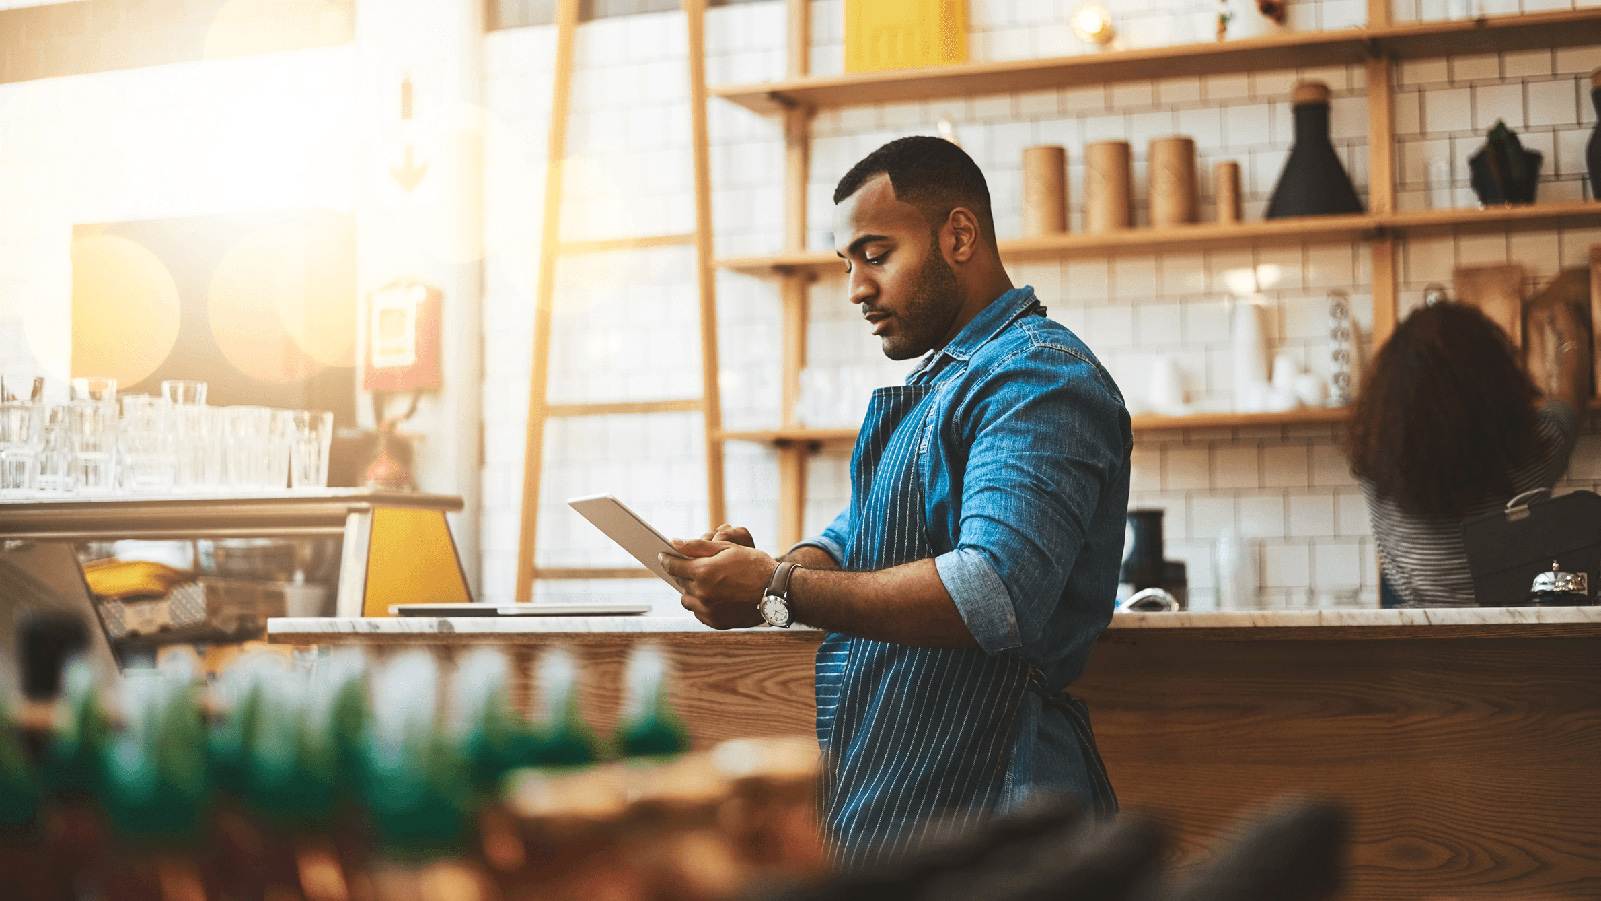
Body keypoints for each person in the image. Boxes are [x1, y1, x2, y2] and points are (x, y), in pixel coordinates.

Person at [658, 136, 1132, 868]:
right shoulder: (947, 381)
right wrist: (763, 570)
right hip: (902, 798)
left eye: (875, 254)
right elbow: (856, 538)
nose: (854, 288)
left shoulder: (1036, 377)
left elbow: (994, 590)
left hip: (1000, 806)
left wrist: (779, 587)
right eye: (846, 263)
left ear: (958, 235)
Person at [1346, 300, 1584, 607]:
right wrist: (1572, 329)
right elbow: (1570, 396)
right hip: (1511, 642)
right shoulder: (1536, 453)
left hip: (1413, 644)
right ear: (1496, 380)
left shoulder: (1376, 468)